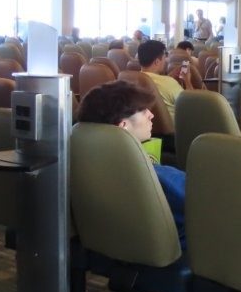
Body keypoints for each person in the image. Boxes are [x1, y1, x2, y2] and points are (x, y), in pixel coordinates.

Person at [77, 80, 186, 250]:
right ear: (123, 126)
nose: (151, 115)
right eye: (143, 111)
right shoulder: (159, 177)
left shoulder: (83, 171)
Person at [137, 40, 191, 120]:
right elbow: (191, 104)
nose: (165, 61)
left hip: (147, 125)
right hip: (176, 126)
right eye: (164, 58)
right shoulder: (169, 83)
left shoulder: (133, 79)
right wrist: (187, 81)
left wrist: (168, 77)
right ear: (157, 62)